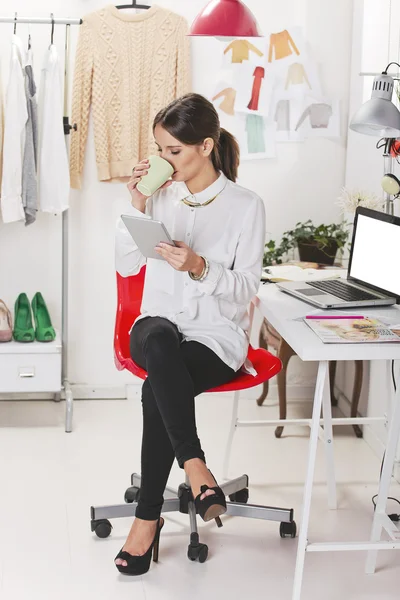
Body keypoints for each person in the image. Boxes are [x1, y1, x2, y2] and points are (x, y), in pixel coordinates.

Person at [114, 93, 266, 575]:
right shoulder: (158, 195)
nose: (164, 161)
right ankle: (195, 466)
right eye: (159, 150)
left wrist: (201, 268)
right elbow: (125, 264)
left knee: (156, 386)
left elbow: (245, 290)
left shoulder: (246, 206)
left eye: (174, 152)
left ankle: (146, 521)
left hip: (215, 336)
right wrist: (136, 205)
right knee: (159, 343)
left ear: (205, 145)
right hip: (155, 325)